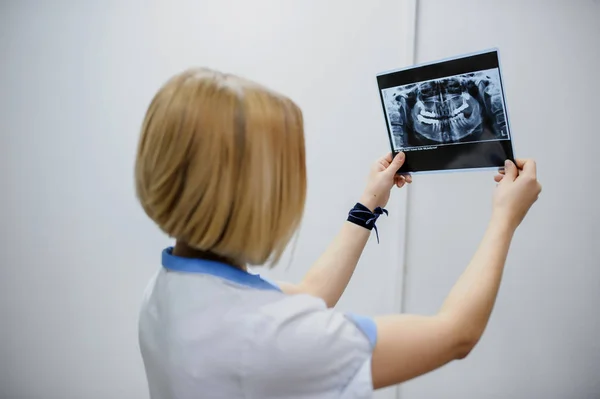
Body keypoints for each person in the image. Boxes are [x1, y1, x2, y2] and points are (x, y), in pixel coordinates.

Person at [135, 68, 541, 399]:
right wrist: (505, 218)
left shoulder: (165, 289)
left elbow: (310, 295)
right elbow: (455, 335)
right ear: (259, 197)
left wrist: (368, 204)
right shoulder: (270, 343)